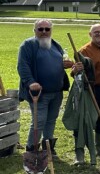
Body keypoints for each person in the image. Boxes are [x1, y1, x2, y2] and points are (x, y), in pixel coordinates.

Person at [18, 19, 73, 158]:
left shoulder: (55, 45)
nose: (44, 32)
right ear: (34, 30)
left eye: (47, 29)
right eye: (40, 29)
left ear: (51, 30)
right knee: (39, 120)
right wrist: (30, 82)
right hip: (39, 92)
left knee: (51, 119)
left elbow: (58, 63)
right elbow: (22, 66)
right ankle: (31, 149)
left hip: (56, 91)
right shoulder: (28, 45)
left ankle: (47, 147)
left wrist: (66, 65)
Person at [73, 24, 100, 162]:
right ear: (90, 34)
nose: (99, 34)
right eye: (96, 32)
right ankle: (80, 153)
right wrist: (75, 70)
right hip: (89, 90)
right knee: (85, 120)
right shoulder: (84, 51)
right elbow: (76, 73)